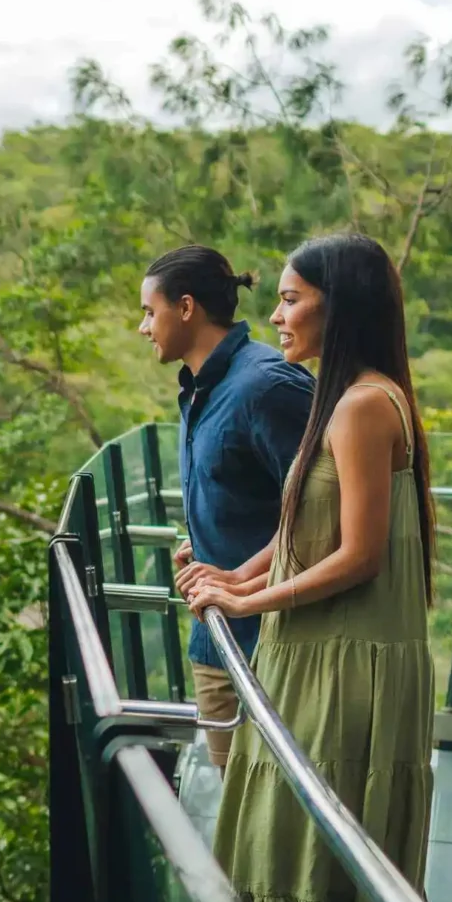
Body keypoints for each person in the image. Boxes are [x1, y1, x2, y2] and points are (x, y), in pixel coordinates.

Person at [182, 234, 440, 902]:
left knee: (323, 840)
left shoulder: (367, 405)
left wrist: (251, 602)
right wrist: (234, 573)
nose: (277, 314)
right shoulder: (341, 397)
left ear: (342, 304)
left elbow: (360, 552)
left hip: (349, 656)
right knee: (331, 828)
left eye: (292, 298)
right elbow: (301, 524)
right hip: (320, 650)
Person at [138, 245, 313, 770]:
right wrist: (212, 537)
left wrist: (242, 577)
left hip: (274, 647)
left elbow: (323, 513)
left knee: (277, 812)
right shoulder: (200, 388)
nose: (144, 328)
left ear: (186, 307)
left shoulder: (266, 385)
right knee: (237, 814)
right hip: (216, 642)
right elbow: (253, 492)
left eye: (150, 312)